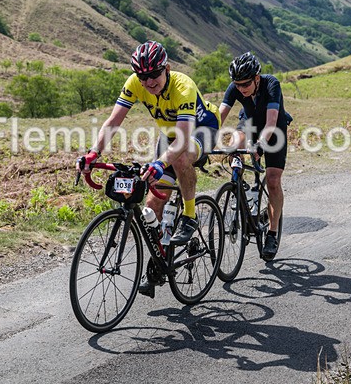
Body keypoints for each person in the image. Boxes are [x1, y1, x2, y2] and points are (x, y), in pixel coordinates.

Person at [77, 40, 220, 297]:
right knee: (152, 203)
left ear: (167, 68)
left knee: (178, 158)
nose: (149, 82)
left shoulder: (183, 86)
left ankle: (190, 215)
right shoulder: (135, 83)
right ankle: (158, 262)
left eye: (154, 74)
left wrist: (158, 163)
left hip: (202, 129)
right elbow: (114, 120)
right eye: (143, 76)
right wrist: (93, 153)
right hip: (170, 135)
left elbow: (184, 140)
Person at [218, 53, 291, 261]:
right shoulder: (235, 88)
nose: (241, 88)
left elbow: (270, 124)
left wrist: (260, 146)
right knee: (234, 143)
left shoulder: (271, 85)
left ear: (257, 77)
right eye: (237, 84)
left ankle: (272, 233)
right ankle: (239, 186)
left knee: (273, 180)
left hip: (274, 129)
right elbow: (219, 116)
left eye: (246, 83)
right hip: (248, 124)